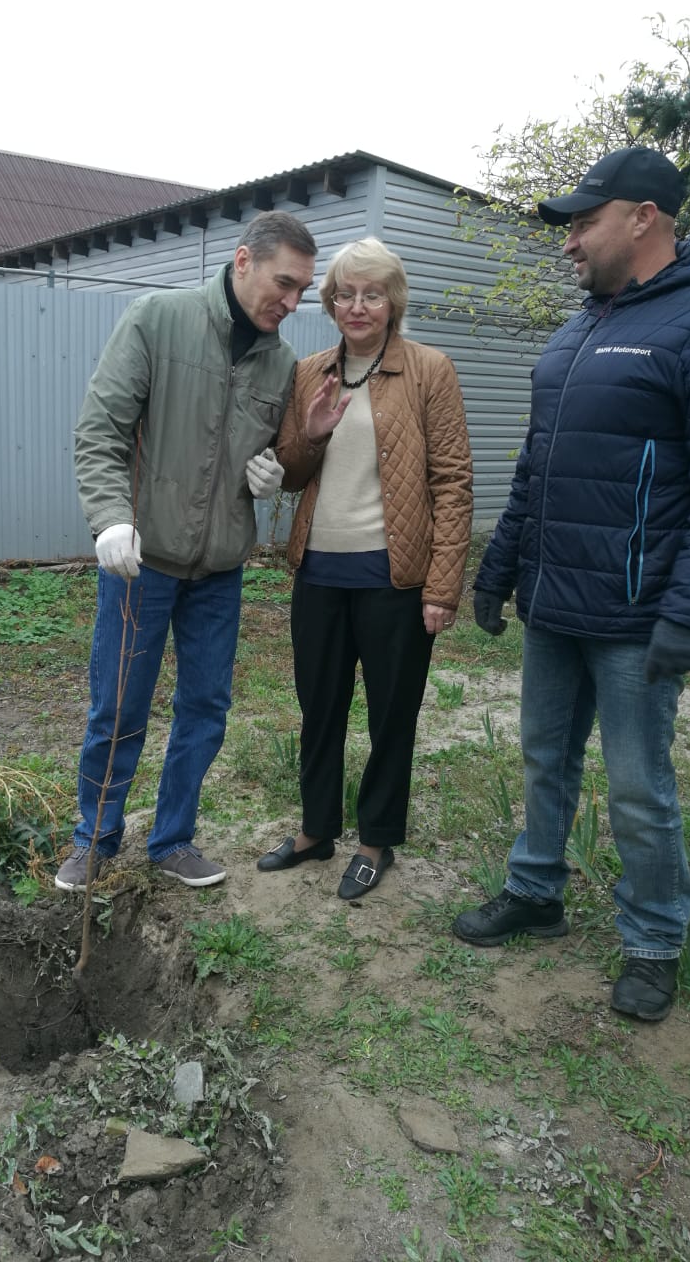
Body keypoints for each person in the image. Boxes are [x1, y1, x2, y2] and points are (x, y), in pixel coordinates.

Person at [452, 147, 690, 1022]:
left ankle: (654, 938)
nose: (568, 241)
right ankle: (536, 891)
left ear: (643, 218)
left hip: (638, 616)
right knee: (544, 758)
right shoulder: (576, 332)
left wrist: (689, 613)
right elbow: (537, 467)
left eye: (584, 223)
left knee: (637, 785)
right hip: (555, 604)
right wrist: (499, 569)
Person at [55, 211, 317, 893]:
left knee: (204, 710)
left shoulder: (280, 363)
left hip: (219, 572)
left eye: (301, 291)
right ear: (243, 261)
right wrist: (111, 519)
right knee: (118, 707)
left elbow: (275, 453)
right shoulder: (157, 320)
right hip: (141, 564)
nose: (292, 303)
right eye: (284, 284)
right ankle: (94, 838)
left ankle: (172, 840)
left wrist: (271, 473)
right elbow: (100, 431)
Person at [256, 237, 473, 899]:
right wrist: (312, 433)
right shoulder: (310, 371)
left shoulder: (429, 370)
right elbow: (293, 473)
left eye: (371, 294)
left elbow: (453, 483)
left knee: (390, 715)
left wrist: (442, 587)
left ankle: (376, 840)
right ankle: (316, 829)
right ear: (330, 303)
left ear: (392, 301)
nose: (357, 306)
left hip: (394, 578)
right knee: (319, 708)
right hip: (319, 571)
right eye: (345, 294)